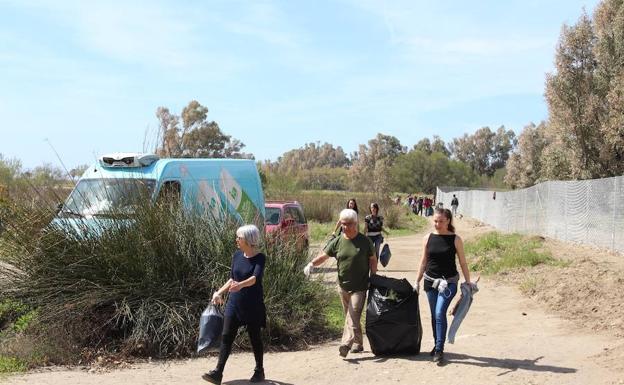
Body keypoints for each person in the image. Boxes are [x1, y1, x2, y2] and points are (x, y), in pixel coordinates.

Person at [304, 209, 377, 357]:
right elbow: (324, 256)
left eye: (348, 224)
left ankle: (345, 344)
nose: (345, 227)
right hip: (343, 285)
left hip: (360, 286)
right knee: (350, 316)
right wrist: (311, 264)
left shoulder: (365, 241)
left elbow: (373, 259)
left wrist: (374, 277)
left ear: (355, 223)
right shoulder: (337, 241)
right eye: (343, 224)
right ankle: (358, 342)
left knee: (353, 313)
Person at [202, 225, 266, 385]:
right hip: (234, 304)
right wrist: (219, 292)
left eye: (239, 238)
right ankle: (218, 372)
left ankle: (259, 371)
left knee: (255, 338)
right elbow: (232, 279)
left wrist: (241, 285)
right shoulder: (237, 255)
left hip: (253, 305)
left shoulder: (260, 258)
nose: (236, 240)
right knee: (226, 337)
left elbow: (254, 279)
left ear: (249, 240)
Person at [415, 208, 471, 364]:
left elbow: (463, 262)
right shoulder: (427, 238)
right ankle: (436, 343)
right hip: (430, 281)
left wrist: (468, 281)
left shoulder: (455, 239)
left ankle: (439, 349)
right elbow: (423, 261)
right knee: (434, 315)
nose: (437, 224)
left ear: (448, 221)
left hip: (449, 282)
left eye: (440, 221)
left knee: (440, 312)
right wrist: (416, 281)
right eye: (435, 221)